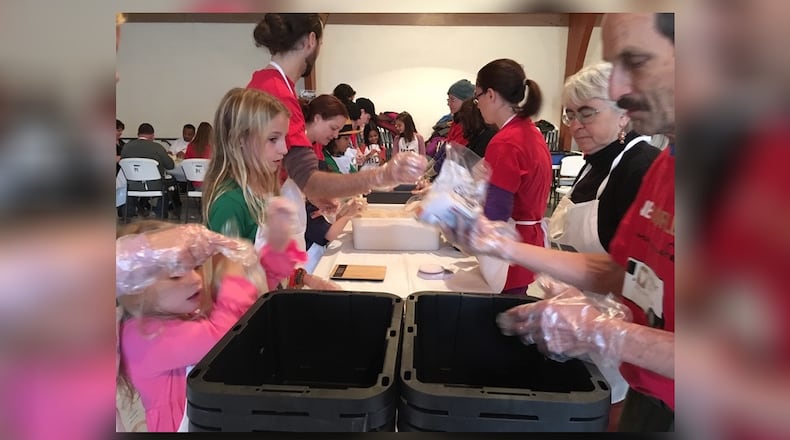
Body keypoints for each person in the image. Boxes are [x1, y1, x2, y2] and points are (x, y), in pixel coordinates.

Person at [442, 14, 676, 432]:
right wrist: (508, 248)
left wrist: (606, 333)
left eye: (636, 61)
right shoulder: (669, 165)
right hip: (649, 391)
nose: (620, 88)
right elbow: (626, 272)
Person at [247, 13, 427, 213]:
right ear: (311, 40)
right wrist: (382, 175)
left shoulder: (269, 82)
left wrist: (314, 195)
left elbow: (297, 174)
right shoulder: (279, 93)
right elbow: (310, 179)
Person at [117, 220, 262, 432]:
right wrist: (233, 275)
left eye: (196, 267)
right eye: (176, 275)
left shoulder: (176, 315)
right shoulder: (142, 335)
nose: (195, 279)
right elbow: (223, 338)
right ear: (138, 292)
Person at [201, 87, 338, 291]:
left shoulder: (266, 190)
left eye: (284, 138)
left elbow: (272, 265)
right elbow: (224, 288)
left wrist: (307, 280)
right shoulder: (229, 203)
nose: (284, 149)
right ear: (240, 140)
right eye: (273, 139)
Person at [549, 62, 660, 254]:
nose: (575, 126)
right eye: (570, 115)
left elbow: (641, 262)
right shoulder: (594, 161)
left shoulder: (643, 168)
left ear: (624, 115)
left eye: (586, 114)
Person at [472, 58, 552, 295]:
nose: (477, 104)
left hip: (512, 248)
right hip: (529, 243)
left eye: (477, 97)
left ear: (491, 95)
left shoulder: (506, 142)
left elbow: (495, 213)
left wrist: (455, 217)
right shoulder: (530, 131)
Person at [120, 123, 176, 218]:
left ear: (138, 134)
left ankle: (128, 212)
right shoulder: (157, 147)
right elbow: (170, 166)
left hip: (132, 185)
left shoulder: (126, 147)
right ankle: (161, 212)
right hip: (155, 185)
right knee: (170, 181)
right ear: (153, 135)